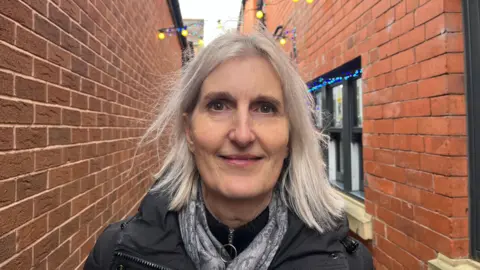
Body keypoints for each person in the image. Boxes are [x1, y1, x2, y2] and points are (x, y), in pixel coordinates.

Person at [84, 30, 373, 270]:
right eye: (218, 105)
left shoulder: (351, 264)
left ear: (289, 138)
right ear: (189, 131)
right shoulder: (115, 256)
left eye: (265, 108)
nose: (243, 134)